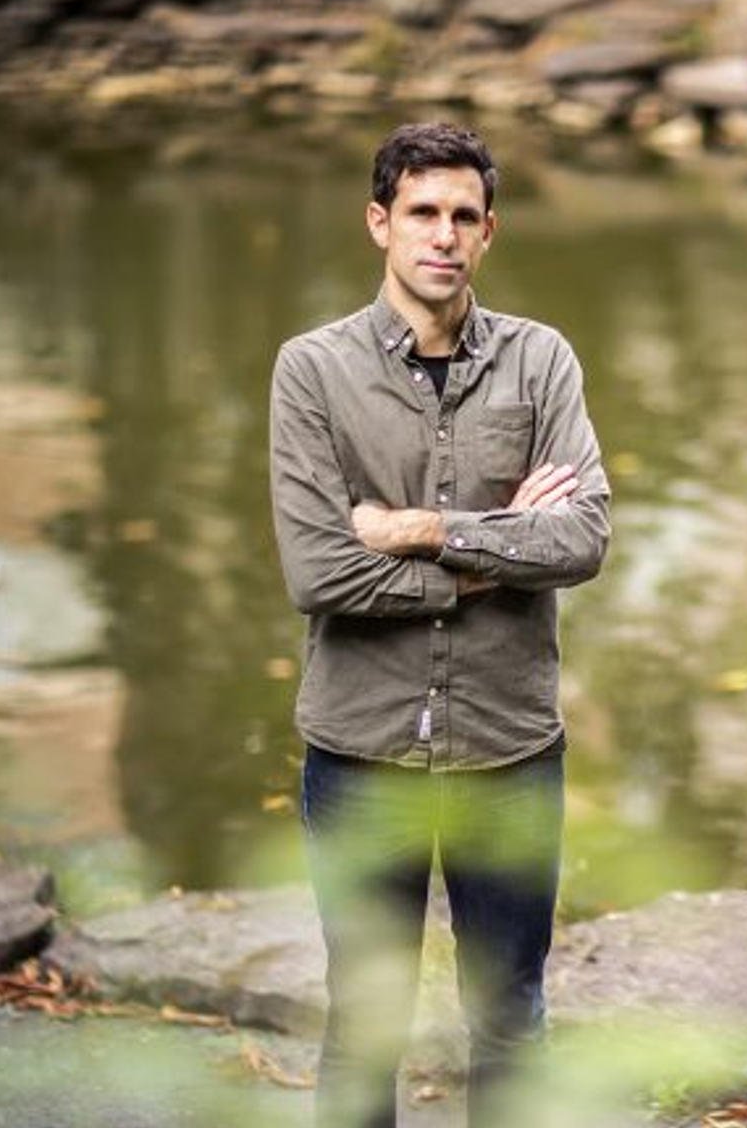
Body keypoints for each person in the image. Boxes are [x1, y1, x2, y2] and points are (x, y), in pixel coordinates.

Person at [268, 121, 610, 1128]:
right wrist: (497, 551)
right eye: (422, 212)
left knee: (508, 1016)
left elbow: (583, 538)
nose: (443, 235)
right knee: (363, 1021)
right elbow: (318, 572)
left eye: (464, 215)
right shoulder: (311, 373)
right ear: (380, 223)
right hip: (361, 748)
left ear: (489, 232)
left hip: (508, 749)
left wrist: (422, 531)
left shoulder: (540, 363)